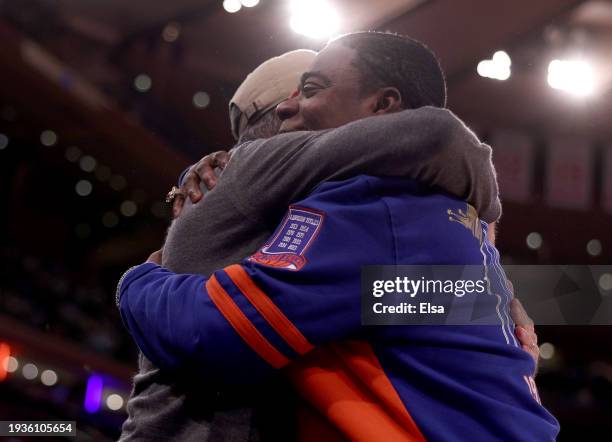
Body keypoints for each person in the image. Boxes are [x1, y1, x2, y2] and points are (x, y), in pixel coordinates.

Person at [119, 32, 550, 440]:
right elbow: (398, 298)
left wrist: (138, 279)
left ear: (382, 115)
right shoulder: (437, 217)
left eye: (309, 90)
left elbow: (218, 334)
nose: (293, 110)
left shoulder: (375, 211)